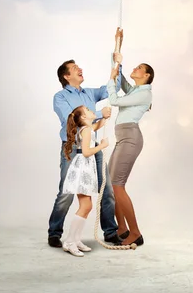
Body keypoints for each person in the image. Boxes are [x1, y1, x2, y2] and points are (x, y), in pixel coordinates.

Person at [47, 36, 124, 248]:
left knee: (105, 190)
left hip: (92, 149)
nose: (80, 68)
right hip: (72, 149)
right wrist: (100, 113)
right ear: (66, 75)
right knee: (66, 192)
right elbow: (71, 118)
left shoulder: (91, 92)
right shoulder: (60, 97)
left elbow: (113, 87)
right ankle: (55, 232)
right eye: (74, 67)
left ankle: (110, 232)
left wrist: (117, 62)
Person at [107, 46, 153, 247]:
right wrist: (117, 59)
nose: (135, 68)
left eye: (139, 67)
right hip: (123, 137)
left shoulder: (144, 94)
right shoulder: (136, 90)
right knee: (111, 185)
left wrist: (111, 78)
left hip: (130, 138)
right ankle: (122, 228)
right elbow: (122, 81)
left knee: (117, 185)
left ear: (147, 75)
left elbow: (114, 99)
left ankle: (135, 232)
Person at [60, 105, 109, 257]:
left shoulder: (87, 128)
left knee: (86, 205)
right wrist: (102, 146)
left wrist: (105, 116)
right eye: (87, 110)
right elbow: (87, 152)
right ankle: (69, 241)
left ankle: (75, 239)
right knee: (86, 206)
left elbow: (99, 124)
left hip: (84, 167)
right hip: (84, 167)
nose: (91, 110)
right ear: (83, 118)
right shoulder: (86, 130)